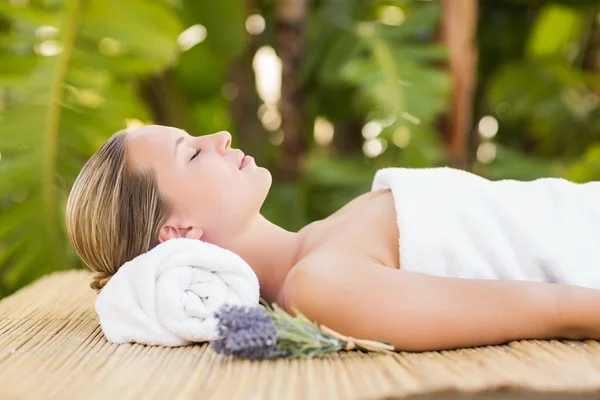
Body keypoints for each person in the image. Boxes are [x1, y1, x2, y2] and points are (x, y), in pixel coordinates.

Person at [66, 125, 600, 352]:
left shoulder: (321, 244)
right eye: (193, 152)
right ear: (178, 233)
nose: (221, 136)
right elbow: (554, 306)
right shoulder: (321, 287)